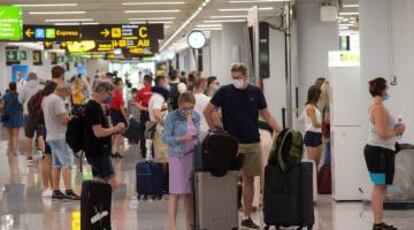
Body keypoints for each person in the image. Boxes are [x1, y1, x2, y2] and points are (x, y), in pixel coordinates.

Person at [204, 63, 282, 229]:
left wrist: (281, 130)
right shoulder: (224, 91)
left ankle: (246, 217)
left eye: (239, 77)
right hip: (231, 143)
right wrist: (215, 129)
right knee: (228, 179)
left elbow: (266, 114)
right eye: (234, 77)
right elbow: (208, 110)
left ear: (246, 77)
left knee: (249, 179)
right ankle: (225, 215)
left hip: (253, 141)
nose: (236, 80)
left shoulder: (255, 92)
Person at [364, 77, 404, 230]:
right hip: (378, 152)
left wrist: (397, 130)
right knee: (379, 187)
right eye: (387, 88)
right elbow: (382, 133)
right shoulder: (378, 108)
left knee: (380, 187)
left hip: (380, 151)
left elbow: (386, 131)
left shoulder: (377, 106)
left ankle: (379, 222)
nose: (388, 91)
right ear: (382, 89)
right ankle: (377, 224)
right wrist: (397, 130)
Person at [163, 92, 200, 230]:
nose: (187, 111)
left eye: (190, 108)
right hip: (177, 157)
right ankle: (172, 224)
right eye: (185, 108)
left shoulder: (196, 116)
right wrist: (181, 139)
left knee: (188, 192)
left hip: (191, 156)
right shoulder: (172, 117)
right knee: (175, 191)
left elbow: (198, 133)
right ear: (179, 105)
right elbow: (166, 138)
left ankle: (189, 223)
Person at [84, 81, 125, 190]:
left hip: (94, 150)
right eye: (110, 94)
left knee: (98, 181)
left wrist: (113, 130)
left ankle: (97, 205)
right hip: (99, 151)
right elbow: (98, 132)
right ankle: (102, 204)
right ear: (102, 92)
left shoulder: (92, 105)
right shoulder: (94, 107)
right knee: (112, 183)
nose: (111, 98)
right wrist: (114, 129)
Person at [43, 83, 80, 200]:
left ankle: (56, 190)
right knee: (67, 164)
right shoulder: (58, 100)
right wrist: (72, 117)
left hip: (51, 136)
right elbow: (63, 119)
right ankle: (69, 191)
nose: (67, 97)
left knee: (56, 164)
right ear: (63, 91)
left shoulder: (47, 99)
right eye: (67, 94)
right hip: (60, 136)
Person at [18, 72, 43, 164]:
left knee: (28, 137)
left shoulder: (24, 88)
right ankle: (43, 153)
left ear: (28, 78)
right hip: (40, 115)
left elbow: (20, 100)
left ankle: (29, 158)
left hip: (28, 115)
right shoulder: (41, 88)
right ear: (36, 79)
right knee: (40, 135)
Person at [148, 75, 170, 162]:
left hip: (159, 129)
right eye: (166, 82)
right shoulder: (158, 97)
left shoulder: (157, 96)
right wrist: (167, 126)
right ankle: (163, 175)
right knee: (163, 156)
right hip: (160, 129)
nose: (167, 84)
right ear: (161, 83)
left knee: (161, 154)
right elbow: (156, 114)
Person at [1, 83, 24, 156]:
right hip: (17, 116)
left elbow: (1, 106)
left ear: (9, 87)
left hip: (8, 117)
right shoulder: (20, 96)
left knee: (10, 135)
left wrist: (3, 111)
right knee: (16, 135)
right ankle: (15, 151)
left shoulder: (5, 95)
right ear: (16, 87)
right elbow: (22, 106)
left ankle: (11, 150)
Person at [303, 85, 323, 169]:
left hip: (318, 135)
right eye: (319, 95)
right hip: (311, 136)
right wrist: (325, 125)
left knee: (317, 164)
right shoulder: (310, 107)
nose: (320, 97)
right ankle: (310, 182)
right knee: (312, 165)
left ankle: (316, 182)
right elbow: (315, 123)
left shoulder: (315, 107)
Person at [109, 78, 128, 158]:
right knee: (119, 132)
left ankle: (112, 150)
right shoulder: (117, 94)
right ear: (116, 85)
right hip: (116, 113)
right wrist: (126, 118)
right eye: (120, 84)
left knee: (115, 132)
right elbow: (121, 108)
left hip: (113, 112)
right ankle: (115, 150)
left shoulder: (113, 93)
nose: (122, 86)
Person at [135, 75, 153, 158]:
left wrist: (142, 108)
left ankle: (143, 151)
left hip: (145, 113)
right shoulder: (155, 90)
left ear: (145, 81)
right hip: (153, 113)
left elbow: (136, 102)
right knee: (153, 132)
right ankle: (153, 151)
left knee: (143, 132)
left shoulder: (141, 91)